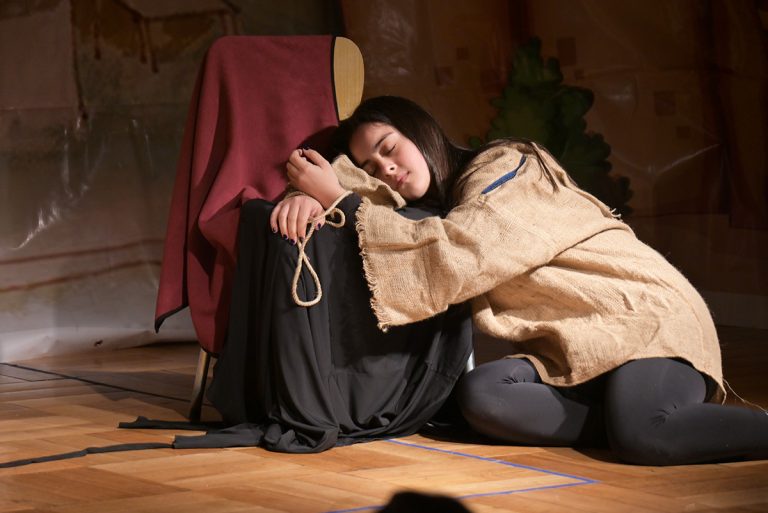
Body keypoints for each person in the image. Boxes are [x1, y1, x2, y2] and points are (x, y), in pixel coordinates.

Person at [277, 95, 768, 466]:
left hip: (640, 316)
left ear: (420, 132)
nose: (386, 168)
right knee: (481, 395)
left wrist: (339, 200)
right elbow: (358, 195)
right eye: (371, 166)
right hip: (575, 350)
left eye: (389, 148)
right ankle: (624, 415)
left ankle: (641, 419)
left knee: (646, 436)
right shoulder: (434, 209)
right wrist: (306, 197)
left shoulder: (507, 166)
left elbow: (465, 251)